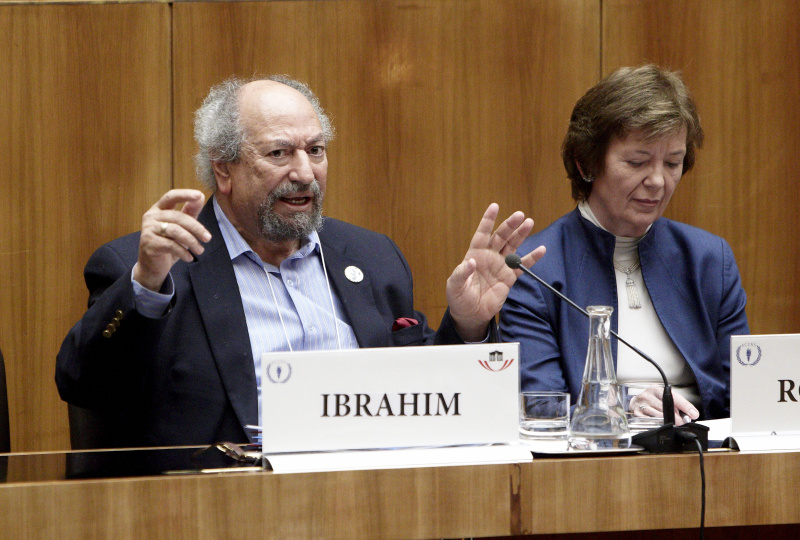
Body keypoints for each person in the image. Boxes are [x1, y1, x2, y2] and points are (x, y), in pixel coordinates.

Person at [56, 75, 545, 447]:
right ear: (223, 168)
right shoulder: (153, 265)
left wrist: (467, 325)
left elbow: (420, 401)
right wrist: (144, 282)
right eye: (279, 153)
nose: (305, 173)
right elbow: (85, 384)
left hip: (375, 499)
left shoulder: (372, 258)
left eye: (316, 150)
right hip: (224, 512)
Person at [500, 65, 749, 424]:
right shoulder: (534, 269)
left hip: (704, 455)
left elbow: (745, 391)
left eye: (673, 163)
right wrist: (620, 411)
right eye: (637, 162)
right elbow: (540, 406)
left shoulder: (708, 259)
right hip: (594, 462)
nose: (658, 181)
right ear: (585, 163)